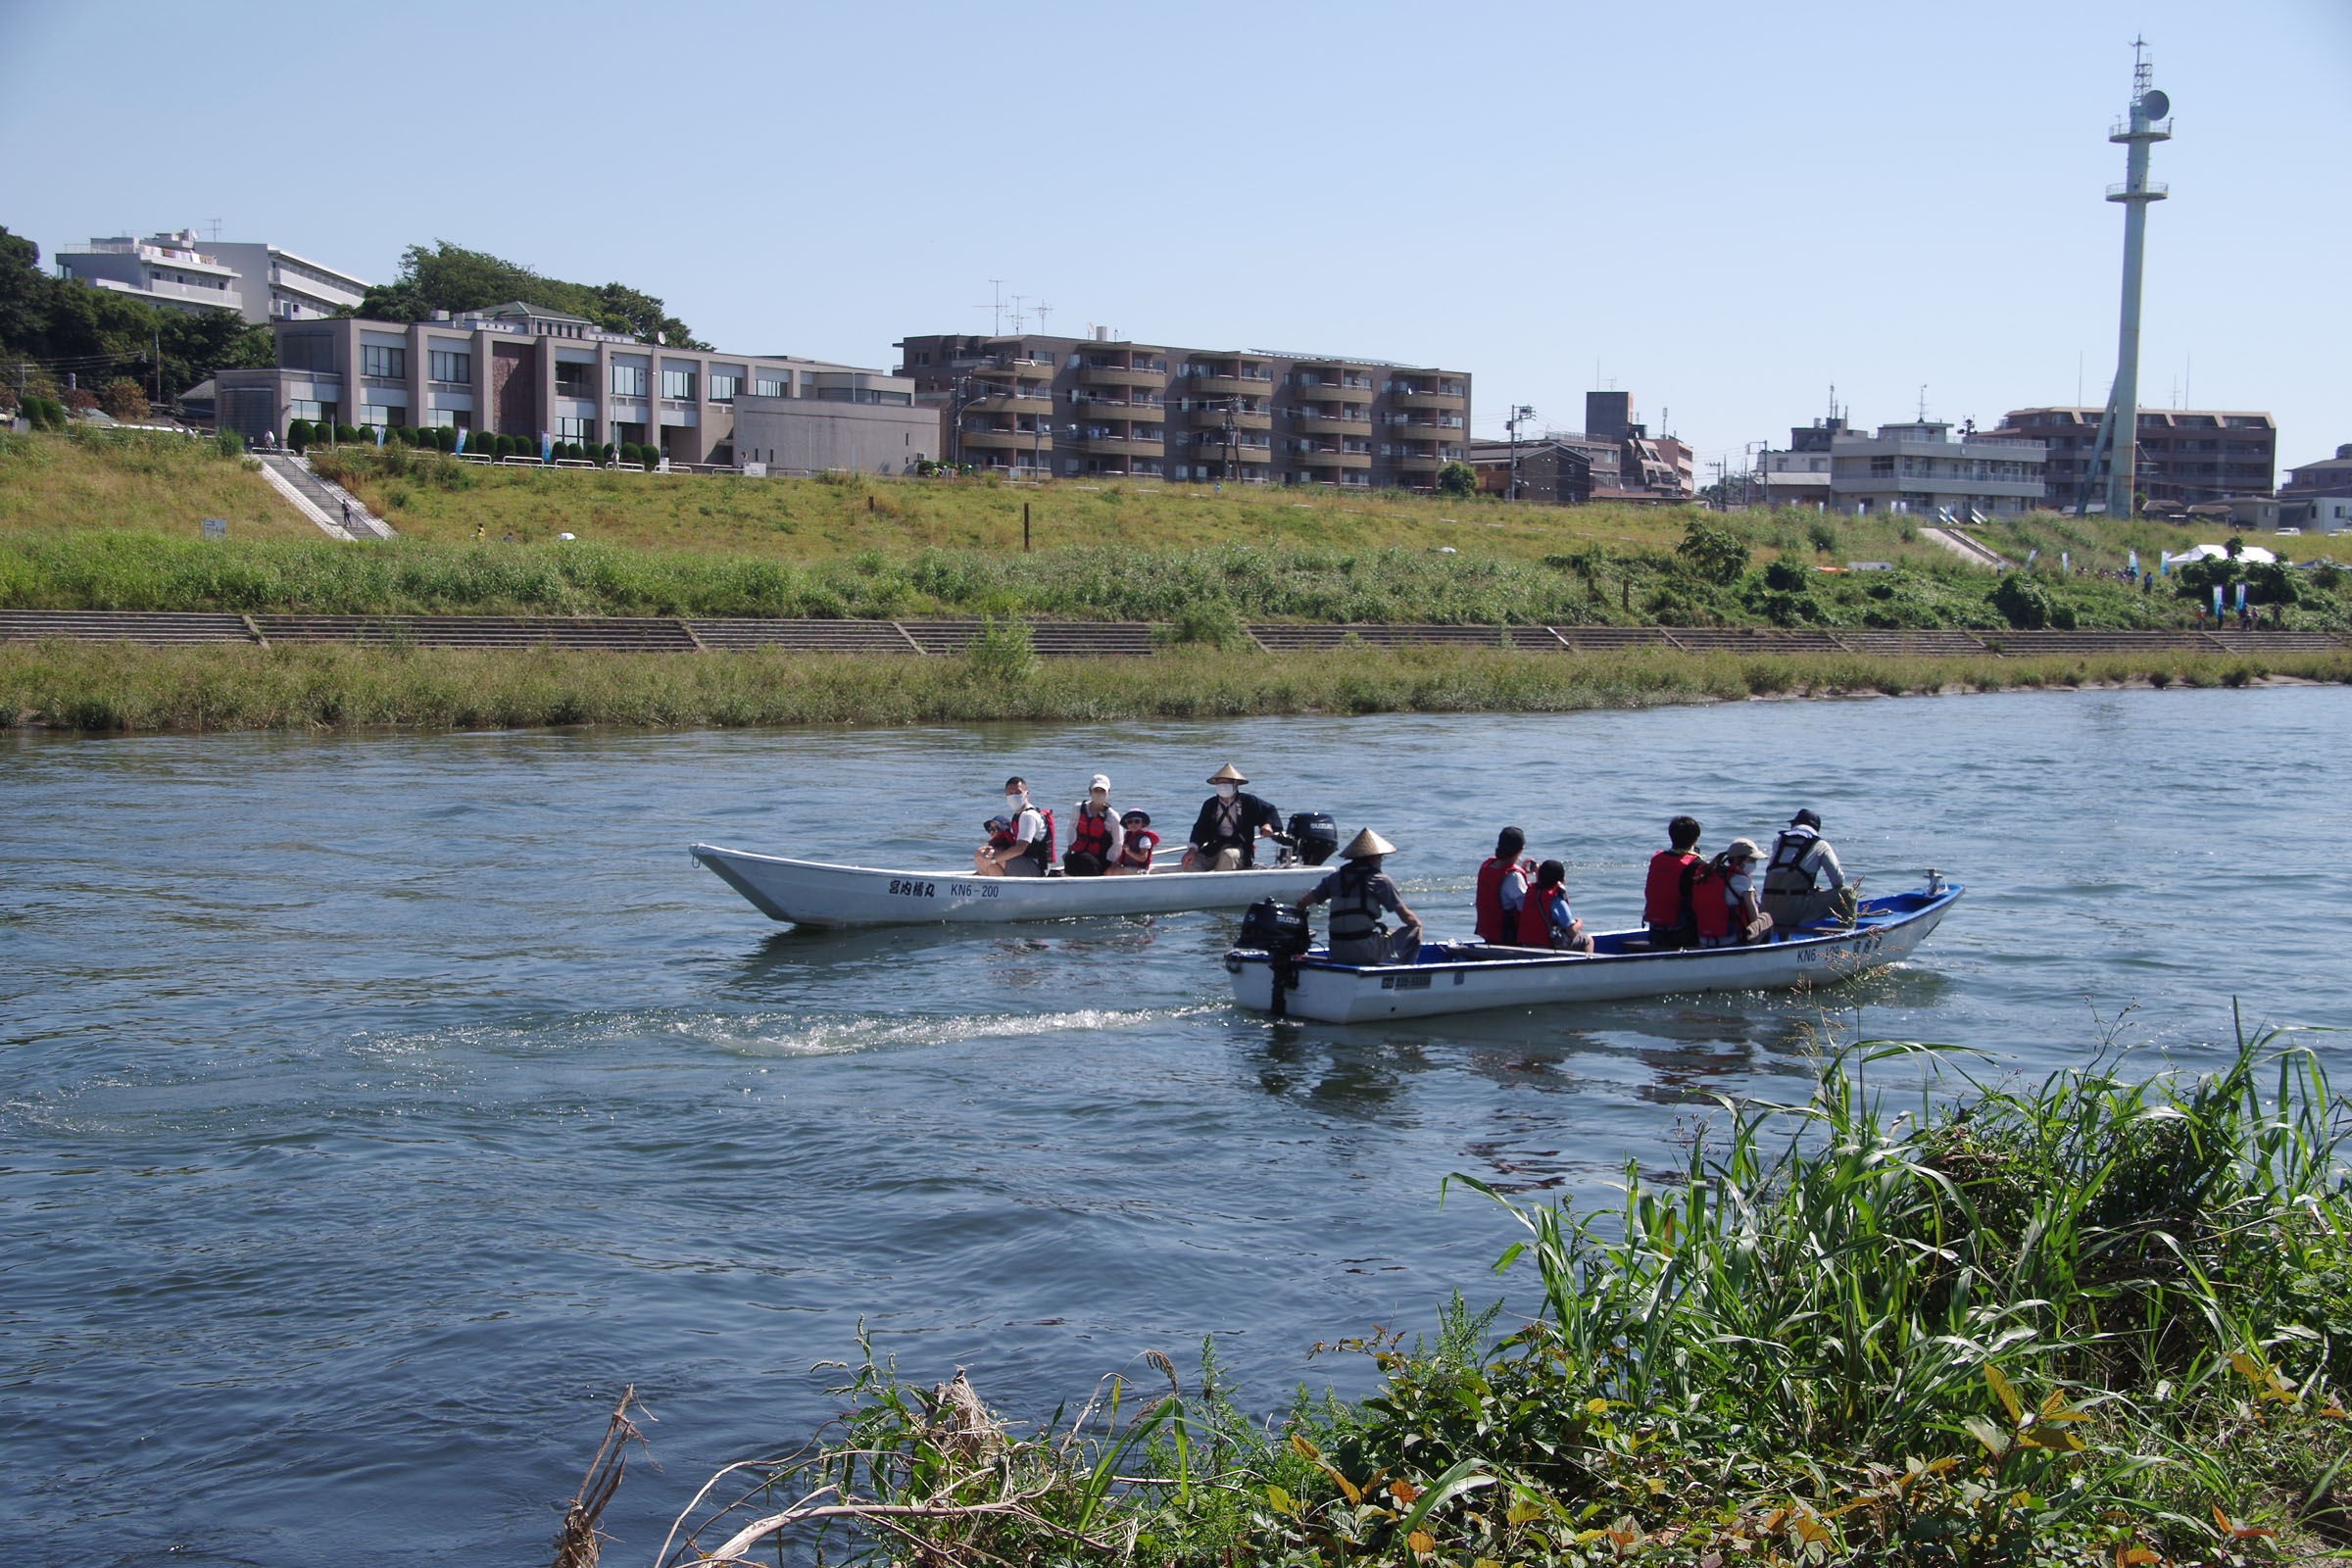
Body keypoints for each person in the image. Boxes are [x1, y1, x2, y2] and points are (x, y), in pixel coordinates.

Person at [1298, 828, 1422, 965]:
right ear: (1374, 858)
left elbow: (1302, 903)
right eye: (1381, 857)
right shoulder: (1380, 881)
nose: (1380, 861)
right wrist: (1417, 924)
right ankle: (1403, 972)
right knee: (1415, 930)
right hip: (1364, 951)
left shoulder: (1334, 878)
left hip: (1336, 950)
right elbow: (1407, 918)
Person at [1760, 808, 1854, 930]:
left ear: (1795, 824)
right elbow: (1838, 881)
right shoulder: (1820, 845)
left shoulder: (1778, 841)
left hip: (1767, 910)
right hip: (1793, 912)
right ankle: (1846, 936)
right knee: (1848, 894)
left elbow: (1784, 876)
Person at [1184, 763, 1280, 870]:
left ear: (1236, 784)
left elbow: (1269, 810)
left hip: (1240, 848)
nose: (1223, 786)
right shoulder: (1210, 804)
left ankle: (1222, 884)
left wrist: (1267, 825)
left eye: (1227, 782)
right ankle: (1200, 884)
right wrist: (1192, 849)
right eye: (1220, 783)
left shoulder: (1248, 801)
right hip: (1214, 848)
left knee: (1228, 855)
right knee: (1190, 861)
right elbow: (1200, 829)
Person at [1642, 815, 1705, 950]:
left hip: (1655, 932)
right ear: (1696, 839)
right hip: (1683, 934)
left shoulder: (1657, 859)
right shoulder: (1696, 865)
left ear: (1671, 836)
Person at [1693, 839, 1772, 948]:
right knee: (1766, 918)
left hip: (1703, 939)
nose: (1754, 864)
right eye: (1752, 860)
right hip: (1731, 940)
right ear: (1737, 860)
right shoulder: (1741, 879)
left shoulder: (1710, 875)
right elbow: (1753, 915)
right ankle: (1760, 953)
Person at [974, 776, 1054, 876]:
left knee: (983, 855)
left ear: (1026, 794)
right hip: (1026, 863)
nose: (1014, 796)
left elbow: (1020, 848)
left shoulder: (1029, 816)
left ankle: (998, 885)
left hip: (1036, 868)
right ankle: (995, 884)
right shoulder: (1018, 815)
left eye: (1018, 793)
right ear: (1006, 796)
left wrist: (993, 860)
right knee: (984, 852)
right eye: (1010, 794)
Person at [1473, 826, 1535, 946]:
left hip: (1489, 934)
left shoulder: (1487, 865)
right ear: (1520, 849)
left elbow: (1503, 886)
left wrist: (1520, 871)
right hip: (1508, 938)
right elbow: (1528, 908)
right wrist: (1540, 878)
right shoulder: (1514, 877)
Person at [1517, 859, 1593, 954]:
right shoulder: (1556, 901)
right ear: (1562, 881)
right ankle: (1587, 965)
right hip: (1548, 948)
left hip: (1526, 946)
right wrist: (1579, 923)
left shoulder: (1528, 894)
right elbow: (1572, 932)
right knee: (1587, 940)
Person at [1063, 774, 1124, 877]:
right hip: (1080, 854)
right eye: (1096, 790)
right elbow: (1071, 830)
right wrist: (1069, 851)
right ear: (1090, 791)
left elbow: (1118, 844)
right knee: (1071, 859)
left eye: (1102, 791)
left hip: (1101, 859)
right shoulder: (1078, 809)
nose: (1099, 794)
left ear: (1108, 793)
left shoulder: (1113, 817)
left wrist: (1112, 866)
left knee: (1085, 859)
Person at [1108, 809, 1158, 874]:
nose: (1133, 824)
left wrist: (1128, 851)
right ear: (1127, 825)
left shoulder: (1144, 839)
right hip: (1129, 867)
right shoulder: (1128, 837)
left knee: (1117, 871)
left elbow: (1143, 858)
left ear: (1142, 823)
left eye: (1137, 821)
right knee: (1110, 868)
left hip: (1140, 870)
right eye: (1130, 822)